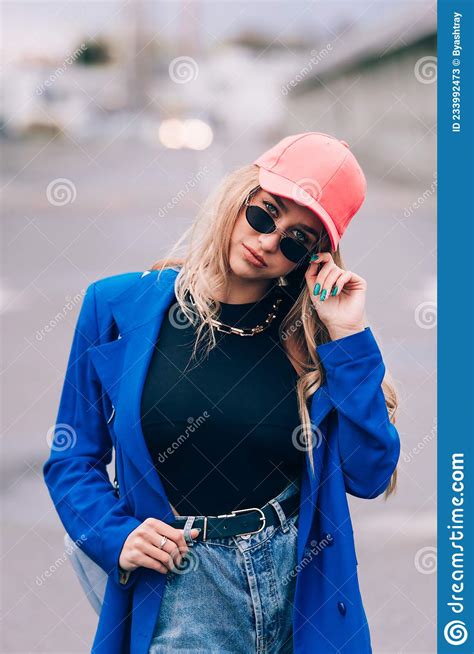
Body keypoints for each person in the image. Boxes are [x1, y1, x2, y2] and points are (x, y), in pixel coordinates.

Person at [43, 132, 400, 654]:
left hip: (299, 588)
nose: (269, 242)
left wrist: (348, 335)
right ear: (239, 198)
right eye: (264, 214)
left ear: (315, 257)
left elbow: (369, 474)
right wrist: (114, 533)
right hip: (184, 585)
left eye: (297, 240)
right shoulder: (117, 307)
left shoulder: (314, 338)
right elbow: (72, 456)